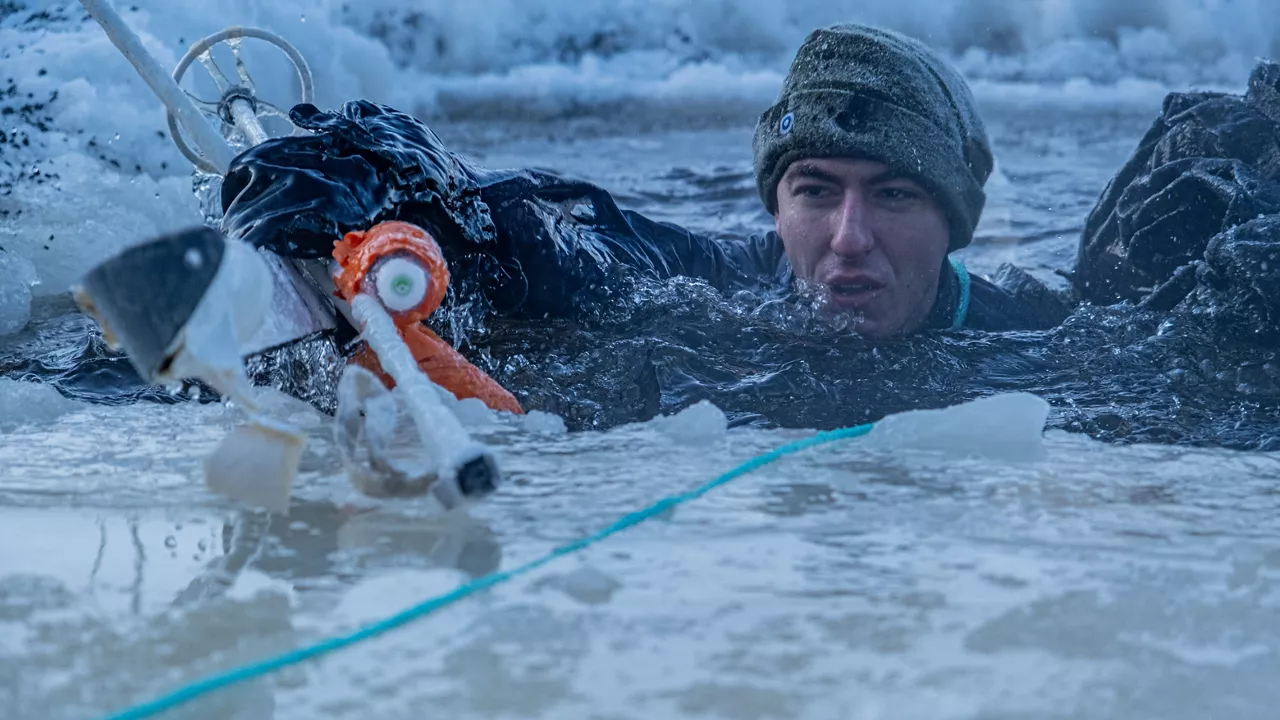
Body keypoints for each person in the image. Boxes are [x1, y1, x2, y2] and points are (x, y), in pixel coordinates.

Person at [220, 24, 1073, 342]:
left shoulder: (1034, 335)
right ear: (775, 204)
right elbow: (578, 242)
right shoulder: (722, 286)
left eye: (894, 195)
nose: (848, 237)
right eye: (815, 191)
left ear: (956, 221)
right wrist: (409, 196)